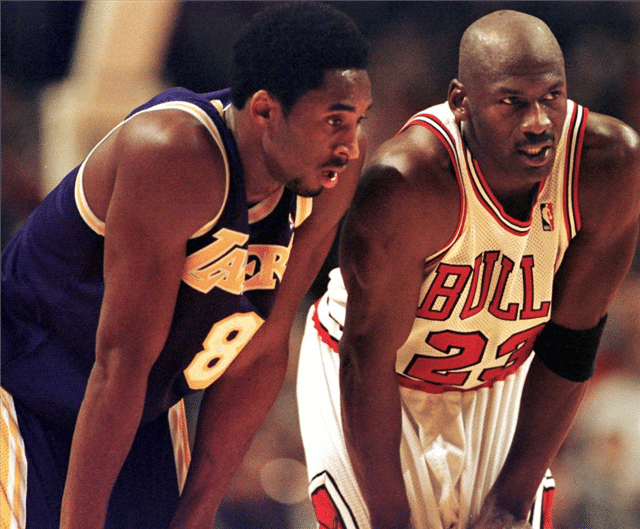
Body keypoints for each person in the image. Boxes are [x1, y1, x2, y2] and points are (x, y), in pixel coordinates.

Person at [0, 3, 372, 528]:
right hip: (23, 380)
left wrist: (197, 512)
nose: (351, 146)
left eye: (358, 121)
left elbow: (260, 354)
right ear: (265, 111)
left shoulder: (326, 175)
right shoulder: (174, 154)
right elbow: (120, 363)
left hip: (139, 407)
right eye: (334, 121)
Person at [296, 9, 640, 529]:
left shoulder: (608, 163)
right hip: (379, 376)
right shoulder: (407, 181)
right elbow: (367, 360)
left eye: (552, 96)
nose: (538, 122)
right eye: (512, 102)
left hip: (497, 376)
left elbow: (571, 345)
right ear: (460, 102)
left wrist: (512, 499)